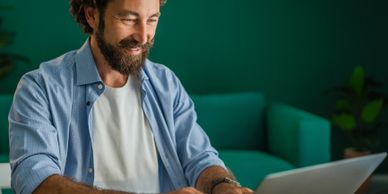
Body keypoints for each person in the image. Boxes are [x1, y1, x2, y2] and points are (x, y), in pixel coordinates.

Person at [8, 0, 254, 194]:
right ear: (92, 15)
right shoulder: (40, 87)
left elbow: (199, 158)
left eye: (152, 19)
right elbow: (36, 182)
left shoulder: (166, 83)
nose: (143, 35)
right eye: (128, 19)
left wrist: (222, 185)